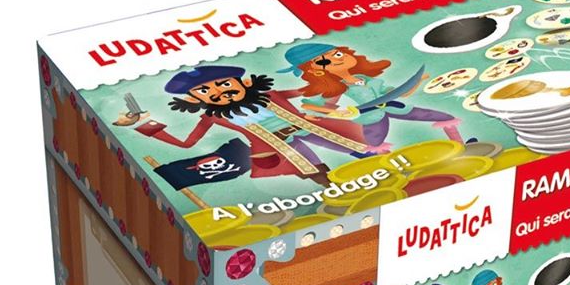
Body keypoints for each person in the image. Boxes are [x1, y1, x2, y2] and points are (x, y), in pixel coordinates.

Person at [128, 64, 373, 184]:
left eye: (225, 84)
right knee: (316, 172)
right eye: (204, 91)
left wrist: (331, 78)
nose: (219, 92)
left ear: (244, 83)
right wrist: (144, 123)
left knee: (357, 147)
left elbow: (303, 91)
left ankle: (377, 168)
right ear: (194, 99)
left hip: (313, 128)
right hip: (277, 149)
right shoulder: (213, 117)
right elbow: (187, 143)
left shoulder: (270, 95)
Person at [279, 42, 462, 151]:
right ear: (315, 70)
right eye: (326, 60)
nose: (338, 59)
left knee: (442, 117)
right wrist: (335, 112)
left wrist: (417, 81)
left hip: (394, 106)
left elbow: (400, 93)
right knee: (375, 143)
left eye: (338, 54)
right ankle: (390, 169)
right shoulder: (338, 87)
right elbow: (312, 105)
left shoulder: (365, 78)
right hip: (370, 116)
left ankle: (459, 145)